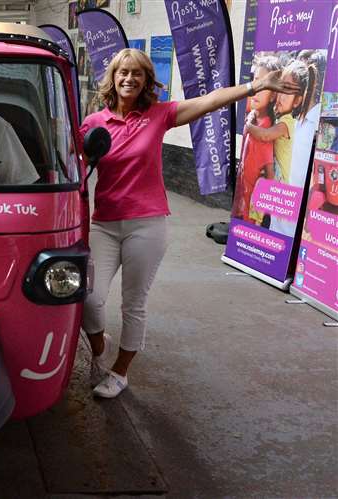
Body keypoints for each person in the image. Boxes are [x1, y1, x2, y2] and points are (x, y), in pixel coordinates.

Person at [79, 48, 299, 398]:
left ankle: (120, 372)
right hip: (104, 223)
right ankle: (100, 349)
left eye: (137, 73)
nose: (129, 78)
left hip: (146, 224)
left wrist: (255, 86)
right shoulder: (94, 123)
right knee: (88, 298)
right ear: (113, 77)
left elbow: (210, 101)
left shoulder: (158, 115)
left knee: (133, 303)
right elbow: (70, 160)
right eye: (123, 72)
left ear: (146, 80)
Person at [246, 58, 318, 235]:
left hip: (283, 187)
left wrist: (248, 124)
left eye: (286, 91)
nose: (279, 96)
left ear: (297, 101)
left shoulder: (287, 123)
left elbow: (264, 135)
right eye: (279, 89)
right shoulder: (281, 119)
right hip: (277, 183)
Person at [232, 55, 279, 225]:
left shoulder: (264, 128)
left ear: (274, 96)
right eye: (255, 81)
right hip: (243, 193)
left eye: (263, 85)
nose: (256, 89)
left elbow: (269, 171)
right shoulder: (252, 117)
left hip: (253, 202)